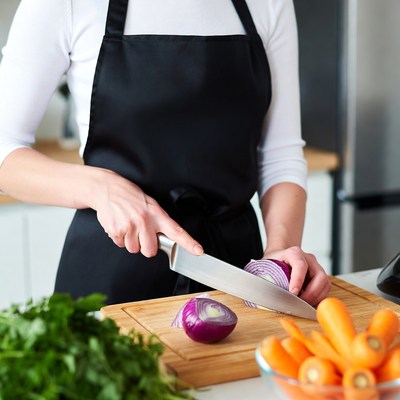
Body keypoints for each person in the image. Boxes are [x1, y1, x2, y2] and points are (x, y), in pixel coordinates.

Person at [0, 0, 331, 306]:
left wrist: (280, 250)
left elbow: (279, 155)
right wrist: (99, 188)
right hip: (112, 275)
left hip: (235, 274)